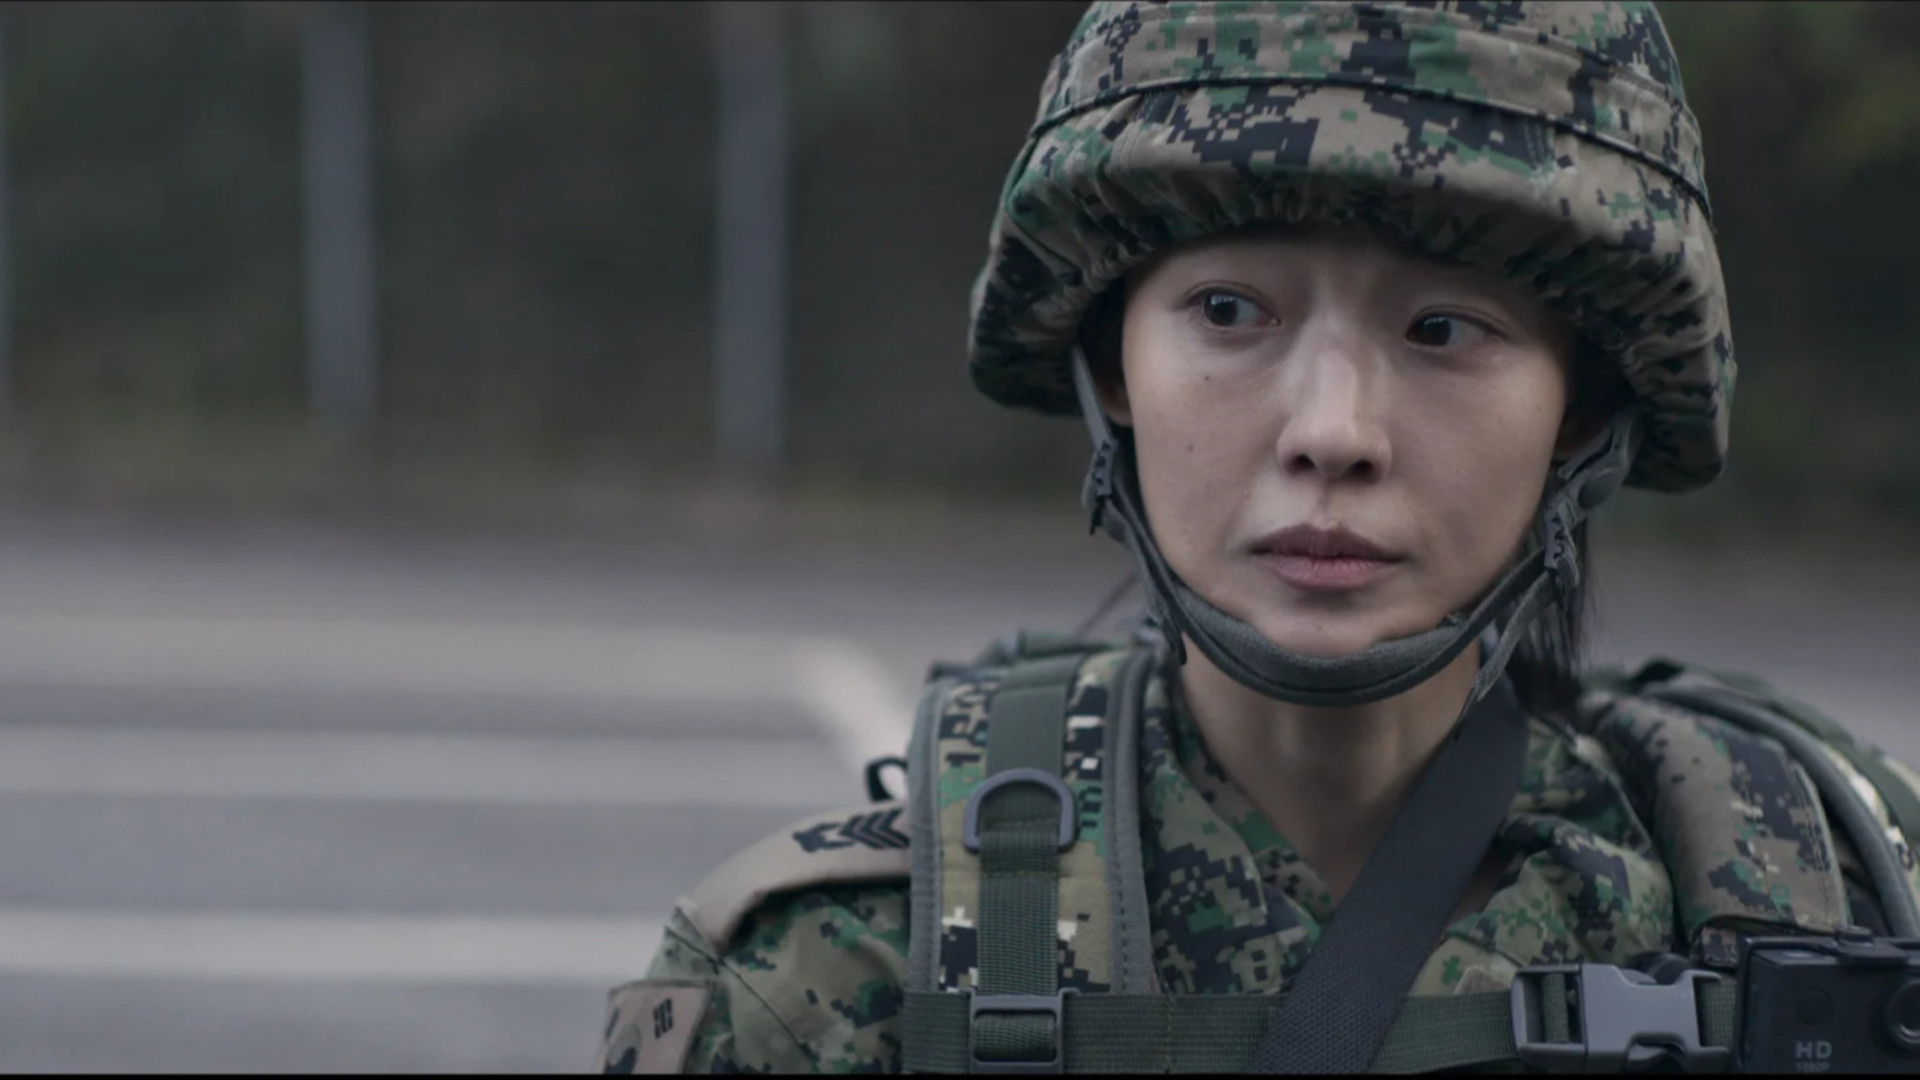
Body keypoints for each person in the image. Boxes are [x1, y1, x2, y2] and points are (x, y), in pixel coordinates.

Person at [603, 1, 1920, 1072]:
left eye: (1445, 329)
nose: (1333, 431)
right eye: (1230, 311)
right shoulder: (827, 983)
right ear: (1112, 368)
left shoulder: (1819, 927)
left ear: (1579, 413)